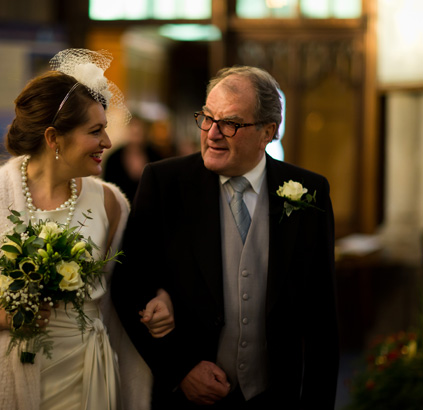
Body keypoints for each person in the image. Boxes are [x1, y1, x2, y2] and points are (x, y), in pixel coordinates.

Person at [0, 49, 173, 410]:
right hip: (9, 380)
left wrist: (158, 300)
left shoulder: (111, 204)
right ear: (54, 138)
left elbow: (130, 289)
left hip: (89, 376)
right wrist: (7, 314)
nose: (107, 143)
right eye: (95, 131)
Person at [111, 66, 339, 409]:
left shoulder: (309, 192)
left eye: (230, 123)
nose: (212, 134)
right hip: (188, 400)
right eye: (207, 117)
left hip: (276, 397)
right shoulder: (164, 183)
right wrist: (180, 370)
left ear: (268, 131)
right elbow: (128, 285)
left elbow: (322, 314)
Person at [103, 115, 163, 202]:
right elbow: (107, 188)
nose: (136, 137)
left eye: (139, 132)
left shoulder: (155, 156)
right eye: (133, 132)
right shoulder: (114, 158)